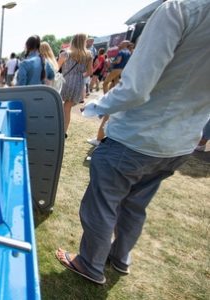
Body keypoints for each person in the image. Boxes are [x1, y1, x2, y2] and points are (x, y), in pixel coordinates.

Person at [56, 0, 210, 285]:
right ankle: (120, 256)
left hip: (138, 135)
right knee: (136, 204)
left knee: (102, 203)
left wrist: (95, 107)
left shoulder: (179, 10)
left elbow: (136, 89)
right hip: (179, 142)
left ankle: (91, 263)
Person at [57, 33, 93, 137]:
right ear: (83, 42)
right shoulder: (88, 55)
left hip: (65, 81)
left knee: (58, 105)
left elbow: (57, 67)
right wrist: (80, 75)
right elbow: (90, 72)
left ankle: (57, 127)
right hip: (78, 83)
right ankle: (63, 132)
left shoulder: (65, 53)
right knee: (67, 108)